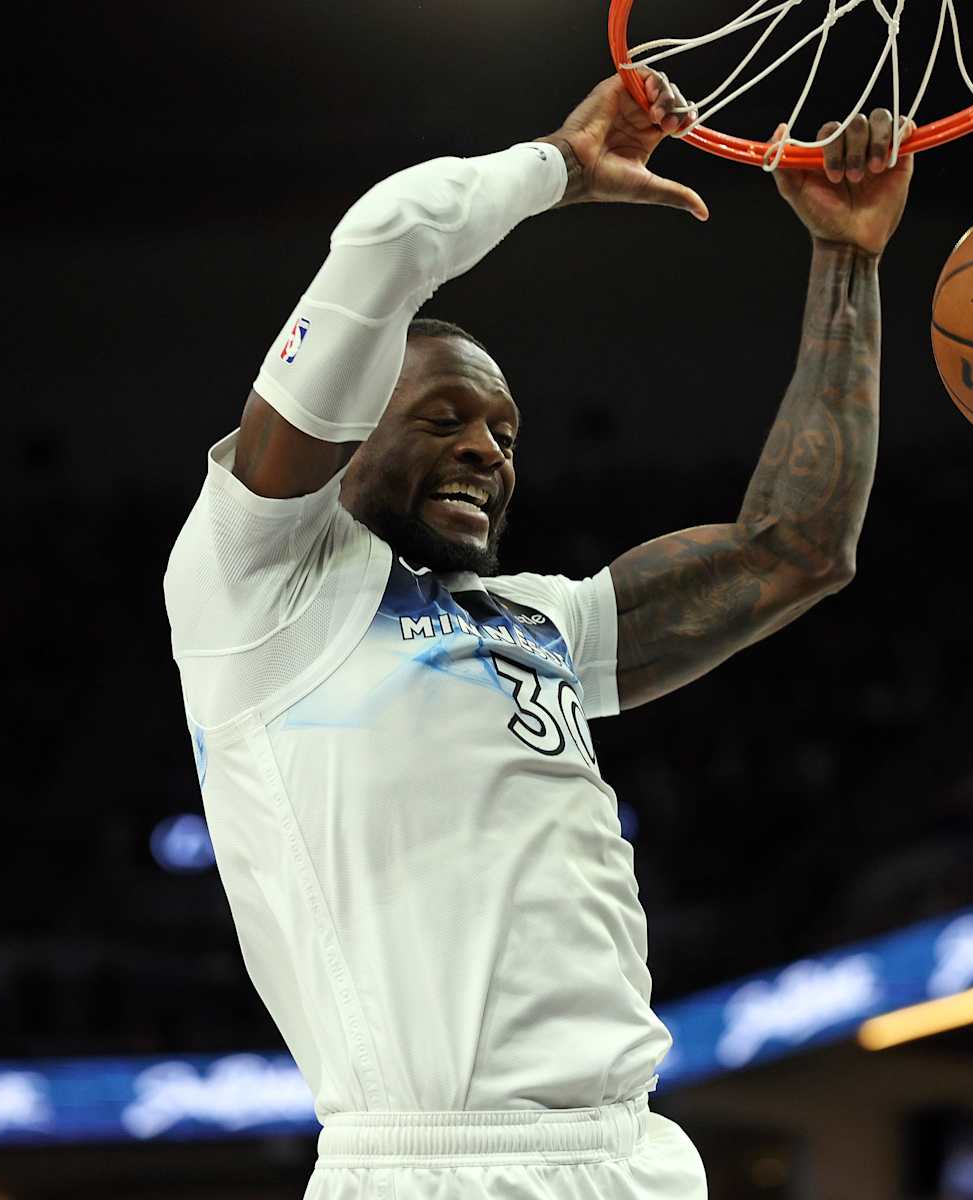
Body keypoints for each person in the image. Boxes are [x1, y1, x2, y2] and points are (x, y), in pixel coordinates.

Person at [163, 68, 915, 1200]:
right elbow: (386, 239)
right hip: (432, 1166)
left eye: (505, 430)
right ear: (344, 430)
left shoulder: (539, 620)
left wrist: (848, 258)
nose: (486, 448)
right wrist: (559, 167)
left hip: (636, 1158)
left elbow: (798, 547)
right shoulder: (258, 585)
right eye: (443, 417)